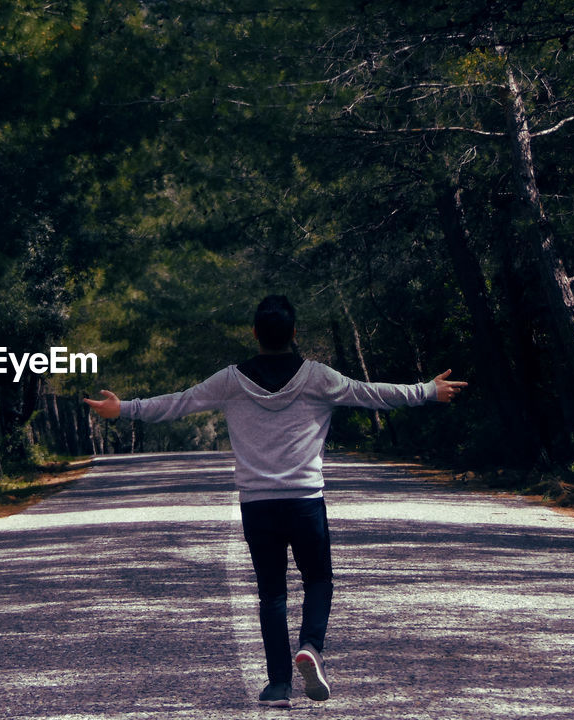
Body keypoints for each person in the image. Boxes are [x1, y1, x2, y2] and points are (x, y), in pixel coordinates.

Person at [83, 295, 466, 708]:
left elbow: (178, 402)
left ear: (255, 334)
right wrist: (426, 391)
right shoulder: (317, 377)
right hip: (305, 502)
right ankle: (311, 647)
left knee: (272, 595)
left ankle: (278, 685)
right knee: (318, 580)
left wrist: (123, 408)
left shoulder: (230, 380)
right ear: (294, 334)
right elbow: (371, 393)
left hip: (257, 505)